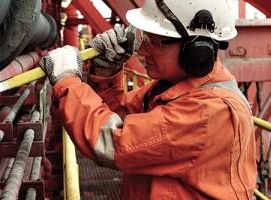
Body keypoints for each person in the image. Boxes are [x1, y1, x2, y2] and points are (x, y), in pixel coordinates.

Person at [39, 0, 257, 199]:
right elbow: (120, 116)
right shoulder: (172, 89)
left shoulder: (209, 111)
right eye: (145, 37)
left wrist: (66, 80)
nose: (141, 49)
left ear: (196, 52)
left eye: (155, 41)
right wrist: (107, 72)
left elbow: (113, 142)